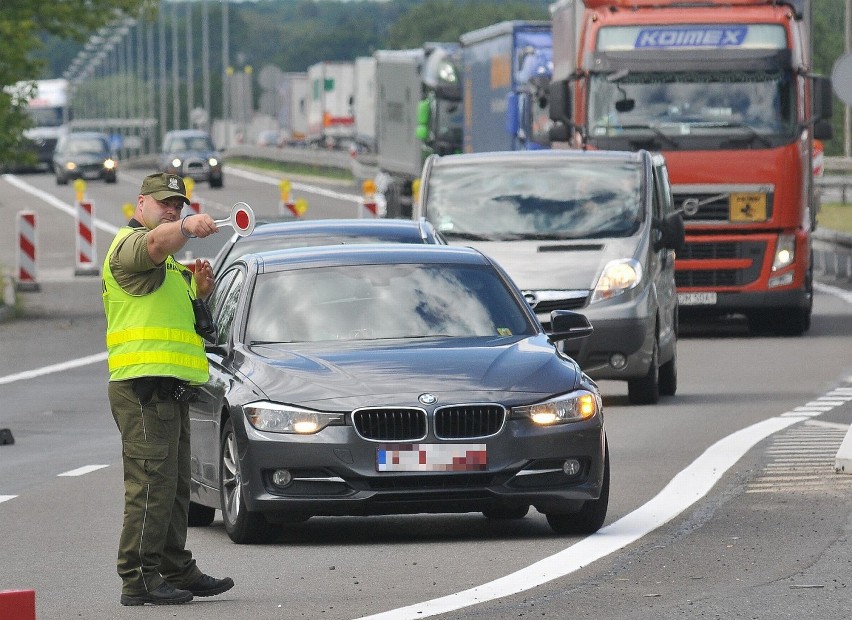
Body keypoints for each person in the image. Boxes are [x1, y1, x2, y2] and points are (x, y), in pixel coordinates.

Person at [102, 172, 234, 606]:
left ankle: (175, 567)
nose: (172, 208)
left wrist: (200, 293)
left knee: (175, 485)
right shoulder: (130, 246)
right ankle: (138, 577)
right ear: (141, 205)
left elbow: (187, 326)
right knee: (151, 484)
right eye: (164, 204)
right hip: (142, 389)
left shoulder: (171, 267)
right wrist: (186, 227)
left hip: (167, 389)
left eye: (178, 204)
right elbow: (157, 244)